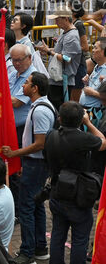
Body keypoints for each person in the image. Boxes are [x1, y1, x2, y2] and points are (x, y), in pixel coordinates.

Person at [1, 72, 55, 264]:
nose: (23, 86)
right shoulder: (39, 107)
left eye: (27, 83)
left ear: (35, 88)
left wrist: (16, 154)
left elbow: (40, 143)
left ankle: (27, 252)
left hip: (36, 165)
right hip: (33, 164)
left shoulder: (40, 110)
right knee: (36, 206)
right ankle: (40, 248)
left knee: (26, 208)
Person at [44, 101, 106, 264]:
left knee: (57, 235)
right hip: (78, 196)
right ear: (79, 120)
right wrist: (88, 123)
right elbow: (103, 141)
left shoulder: (51, 135)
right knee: (79, 239)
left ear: (60, 119)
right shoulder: (84, 139)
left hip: (57, 193)